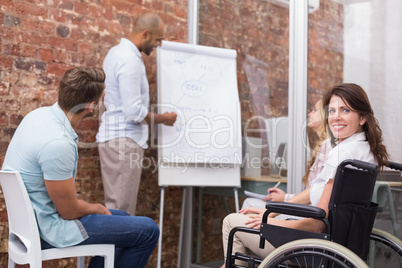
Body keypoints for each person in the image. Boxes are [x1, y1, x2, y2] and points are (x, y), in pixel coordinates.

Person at [2, 67, 159, 268]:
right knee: (148, 230)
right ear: (91, 106)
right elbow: (68, 211)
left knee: (124, 218)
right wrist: (98, 208)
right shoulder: (58, 143)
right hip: (47, 230)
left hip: (31, 224)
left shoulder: (37, 116)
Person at [221, 83, 389, 266]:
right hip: (340, 244)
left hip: (312, 247)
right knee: (252, 224)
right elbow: (316, 192)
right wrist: (271, 213)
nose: (336, 117)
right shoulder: (365, 150)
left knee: (232, 223)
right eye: (332, 111)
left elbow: (318, 223)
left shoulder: (342, 153)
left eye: (345, 110)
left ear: (362, 117)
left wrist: (272, 225)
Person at [96, 12, 177, 216]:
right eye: (158, 40)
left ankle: (115, 249)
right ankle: (115, 250)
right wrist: (163, 120)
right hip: (124, 142)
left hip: (117, 140)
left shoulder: (117, 53)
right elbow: (133, 112)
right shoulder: (129, 60)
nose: (158, 45)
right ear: (145, 34)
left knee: (118, 208)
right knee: (121, 212)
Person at [241, 99, 332, 209]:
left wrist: (284, 199)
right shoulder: (325, 146)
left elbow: (315, 194)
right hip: (309, 210)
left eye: (314, 110)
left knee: (249, 204)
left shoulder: (328, 147)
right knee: (250, 203)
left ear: (324, 115)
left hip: (309, 214)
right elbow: (312, 194)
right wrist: (284, 197)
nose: (309, 114)